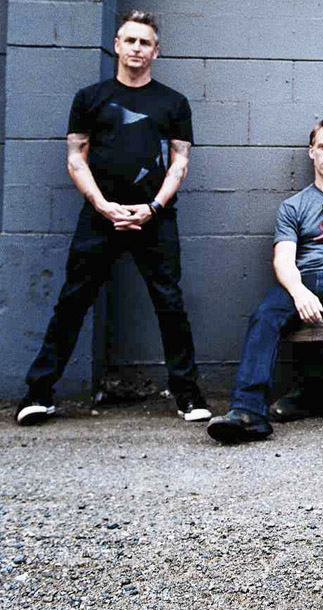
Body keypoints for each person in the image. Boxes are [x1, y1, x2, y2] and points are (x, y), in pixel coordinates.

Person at [15, 10, 211, 426]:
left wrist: (153, 207)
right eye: (130, 40)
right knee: (73, 301)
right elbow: (75, 158)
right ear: (117, 45)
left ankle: (188, 395)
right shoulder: (90, 98)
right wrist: (103, 205)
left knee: (170, 304)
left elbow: (179, 162)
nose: (137, 48)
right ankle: (38, 394)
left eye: (145, 42)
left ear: (156, 51)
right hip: (100, 218)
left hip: (154, 219)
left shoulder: (173, 102)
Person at [206, 118, 323, 444]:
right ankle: (247, 412)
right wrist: (298, 291)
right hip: (302, 279)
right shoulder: (293, 206)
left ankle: (311, 392)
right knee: (264, 316)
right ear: (311, 152)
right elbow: (283, 259)